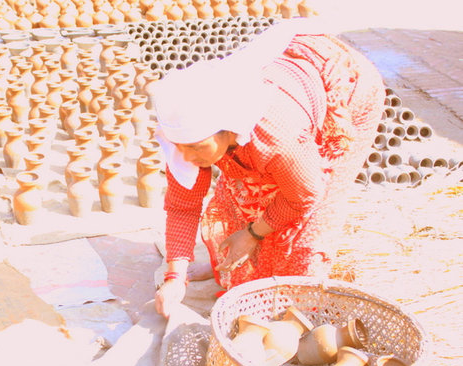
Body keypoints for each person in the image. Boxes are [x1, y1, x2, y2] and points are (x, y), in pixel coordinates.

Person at [152, 20, 385, 317]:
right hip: (288, 85)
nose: (185, 155)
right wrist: (175, 275)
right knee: (239, 196)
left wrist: (252, 233)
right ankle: (239, 269)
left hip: (345, 87)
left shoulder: (275, 136)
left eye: (196, 147)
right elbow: (183, 205)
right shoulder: (188, 137)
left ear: (229, 129)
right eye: (179, 146)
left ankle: (294, 303)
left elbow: (305, 195)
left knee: (307, 228)